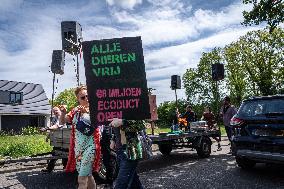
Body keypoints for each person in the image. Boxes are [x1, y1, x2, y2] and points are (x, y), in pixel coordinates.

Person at [60, 85, 101, 189]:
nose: (86, 99)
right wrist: (63, 113)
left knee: (81, 179)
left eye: (88, 96)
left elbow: (98, 124)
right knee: (88, 175)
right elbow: (63, 121)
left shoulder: (95, 109)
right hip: (78, 149)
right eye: (83, 97)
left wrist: (86, 114)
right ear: (78, 99)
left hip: (91, 147)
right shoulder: (75, 110)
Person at [109, 118, 145, 189]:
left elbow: (141, 124)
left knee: (121, 184)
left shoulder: (131, 109)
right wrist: (114, 139)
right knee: (134, 184)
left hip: (130, 151)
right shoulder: (115, 110)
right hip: (119, 152)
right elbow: (119, 130)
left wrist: (123, 121)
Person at [41, 106, 67, 173]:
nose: (55, 112)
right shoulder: (54, 118)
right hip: (58, 139)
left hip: (65, 138)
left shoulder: (62, 117)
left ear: (59, 110)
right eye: (54, 111)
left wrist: (47, 128)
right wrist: (48, 136)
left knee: (64, 154)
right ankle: (50, 168)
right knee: (56, 153)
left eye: (56, 110)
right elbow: (52, 129)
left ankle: (65, 168)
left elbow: (57, 126)